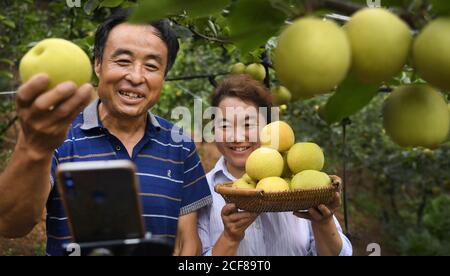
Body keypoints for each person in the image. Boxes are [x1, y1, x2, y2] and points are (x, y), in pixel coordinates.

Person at [0, 9, 212, 256]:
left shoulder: (180, 144)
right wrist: (34, 148)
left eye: (152, 66)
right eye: (123, 61)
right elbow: (11, 225)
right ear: (98, 64)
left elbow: (187, 241)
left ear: (164, 76)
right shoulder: (57, 135)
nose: (135, 77)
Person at [197, 75, 352, 256]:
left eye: (248, 124)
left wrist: (324, 223)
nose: (236, 137)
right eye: (224, 125)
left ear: (267, 128)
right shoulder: (201, 190)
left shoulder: (301, 183)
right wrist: (230, 238)